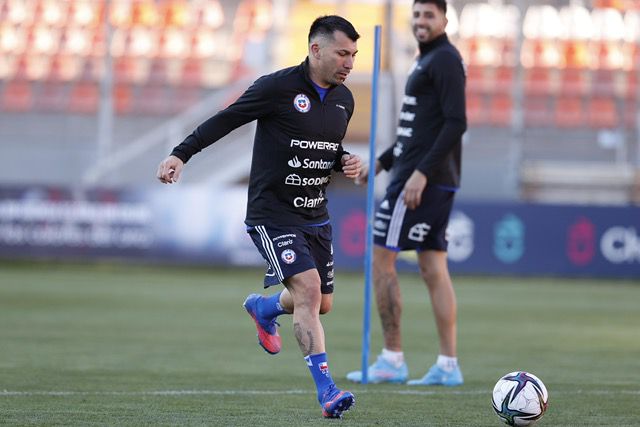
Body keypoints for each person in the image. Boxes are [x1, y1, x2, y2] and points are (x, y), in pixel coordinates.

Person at [156, 15, 361, 418]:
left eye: (353, 55)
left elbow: (324, 147)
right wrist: (180, 153)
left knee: (321, 304)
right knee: (307, 289)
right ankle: (328, 392)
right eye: (342, 53)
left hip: (315, 216)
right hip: (273, 214)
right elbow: (226, 119)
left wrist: (345, 160)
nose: (349, 62)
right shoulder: (277, 87)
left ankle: (264, 308)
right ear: (315, 49)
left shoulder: (344, 100)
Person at [346, 0, 466, 386]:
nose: (420, 21)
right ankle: (448, 366)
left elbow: (455, 122)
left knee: (382, 260)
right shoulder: (428, 59)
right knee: (433, 267)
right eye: (416, 15)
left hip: (419, 182)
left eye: (429, 15)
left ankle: (391, 358)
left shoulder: (444, 59)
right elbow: (416, 130)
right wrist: (381, 162)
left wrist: (419, 175)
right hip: (427, 176)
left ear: (445, 20)